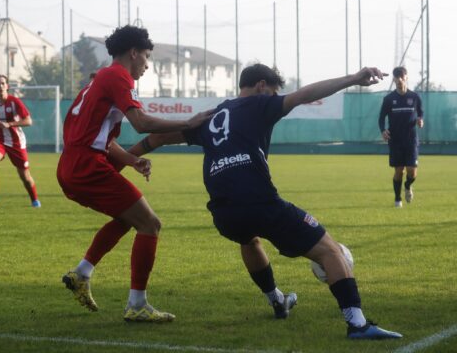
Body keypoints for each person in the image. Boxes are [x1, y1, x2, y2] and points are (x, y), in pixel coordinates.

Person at [128, 64, 402, 339]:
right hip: (259, 202)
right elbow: (305, 94)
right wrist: (352, 78)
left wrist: (127, 158)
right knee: (330, 250)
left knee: (248, 239)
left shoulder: (213, 114)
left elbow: (159, 137)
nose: (273, 97)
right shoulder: (260, 104)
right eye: (272, 92)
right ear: (261, 86)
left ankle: (277, 300)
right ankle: (357, 324)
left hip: (224, 213)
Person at [57, 25, 211, 323]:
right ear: (134, 52)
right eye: (147, 56)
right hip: (87, 165)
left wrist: (129, 159)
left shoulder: (99, 79)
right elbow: (140, 122)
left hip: (72, 165)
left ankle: (81, 273)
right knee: (150, 224)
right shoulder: (118, 76)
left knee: (129, 218)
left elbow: (99, 135)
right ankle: (136, 304)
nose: (147, 64)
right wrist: (189, 123)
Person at [0, 75, 41, 208]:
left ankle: (34, 199)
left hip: (16, 142)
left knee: (24, 176)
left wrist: (10, 124)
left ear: (7, 86)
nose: (0, 86)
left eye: (3, 83)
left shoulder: (15, 102)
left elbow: (28, 121)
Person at [378, 67, 424, 207]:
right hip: (396, 141)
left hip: (411, 140)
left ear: (406, 77)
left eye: (402, 77)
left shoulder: (414, 97)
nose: (399, 80)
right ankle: (398, 199)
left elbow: (421, 113)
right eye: (397, 77)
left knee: (412, 172)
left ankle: (408, 185)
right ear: (394, 79)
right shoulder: (389, 99)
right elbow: (381, 118)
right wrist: (383, 130)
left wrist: (420, 120)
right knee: (399, 171)